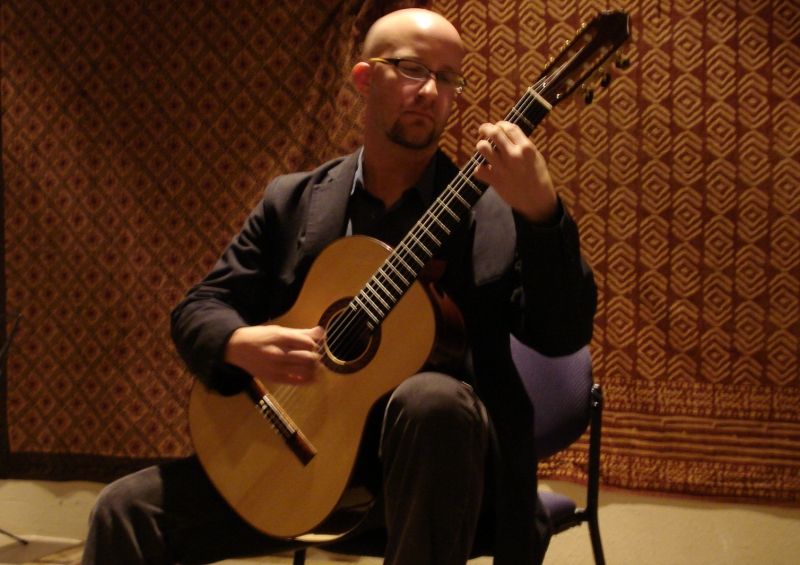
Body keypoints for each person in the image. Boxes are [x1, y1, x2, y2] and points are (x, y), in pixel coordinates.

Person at [82, 8, 596, 565]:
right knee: (125, 509)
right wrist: (237, 342)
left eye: (448, 78)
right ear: (364, 78)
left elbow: (561, 333)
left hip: (444, 484)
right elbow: (200, 308)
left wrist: (543, 215)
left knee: (431, 401)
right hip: (300, 459)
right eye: (412, 69)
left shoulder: (493, 214)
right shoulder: (293, 201)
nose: (431, 91)